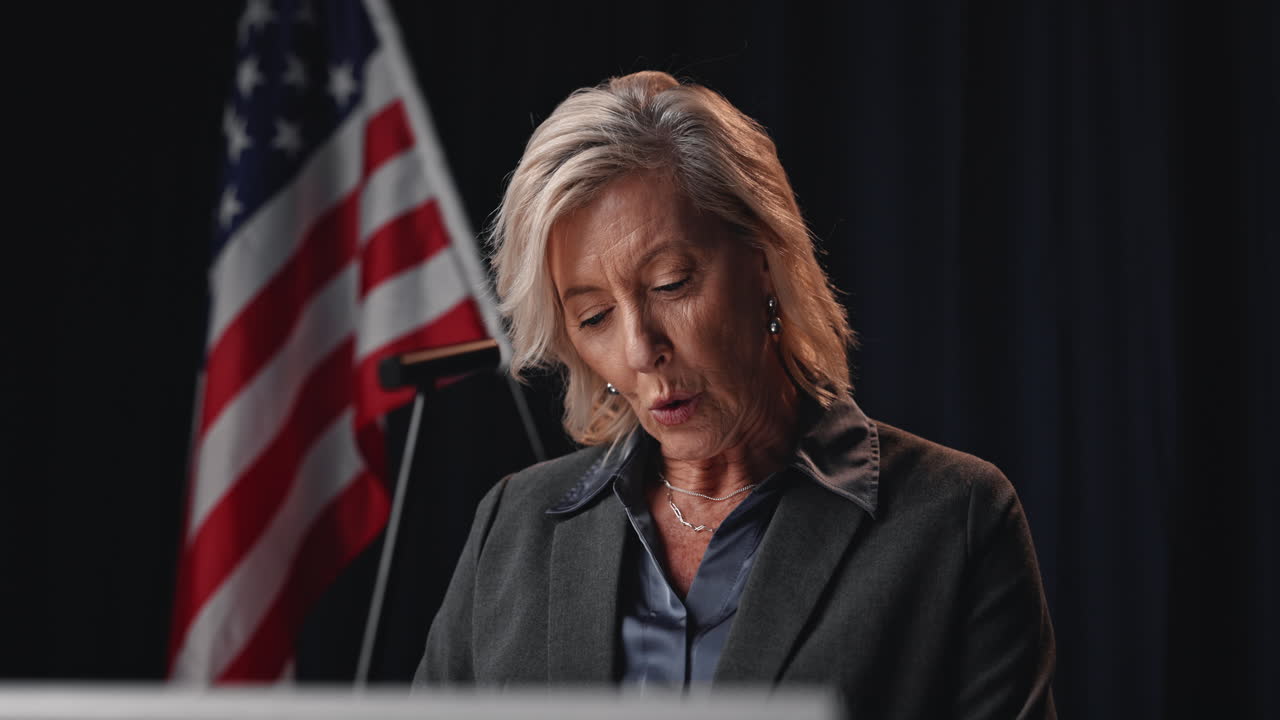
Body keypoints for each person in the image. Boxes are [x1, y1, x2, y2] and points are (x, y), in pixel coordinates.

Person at [414, 70, 1056, 718]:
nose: (641, 350)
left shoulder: (955, 519)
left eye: (670, 284)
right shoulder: (513, 527)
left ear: (764, 262)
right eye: (594, 317)